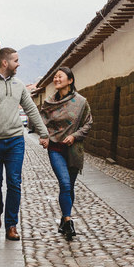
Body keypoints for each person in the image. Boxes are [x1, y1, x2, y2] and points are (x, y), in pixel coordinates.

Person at [0, 47, 48, 241]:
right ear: (5, 62)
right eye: (16, 60)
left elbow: (31, 109)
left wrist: (44, 133)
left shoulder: (19, 85)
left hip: (15, 141)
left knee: (14, 182)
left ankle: (11, 225)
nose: (18, 64)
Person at [38, 66, 92, 240]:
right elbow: (42, 123)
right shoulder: (49, 103)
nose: (56, 79)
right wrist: (44, 136)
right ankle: (69, 222)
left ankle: (64, 218)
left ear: (70, 80)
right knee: (65, 184)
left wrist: (75, 136)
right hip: (56, 149)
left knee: (69, 186)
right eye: (55, 77)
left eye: (60, 76)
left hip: (74, 150)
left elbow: (88, 124)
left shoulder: (81, 102)